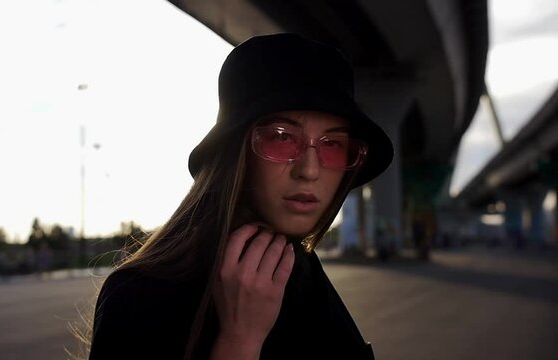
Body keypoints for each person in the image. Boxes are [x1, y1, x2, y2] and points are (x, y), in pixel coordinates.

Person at [88, 33, 393, 359]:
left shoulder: (299, 269)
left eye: (332, 144)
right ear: (234, 151)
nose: (310, 170)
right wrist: (239, 341)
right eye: (281, 137)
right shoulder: (138, 295)